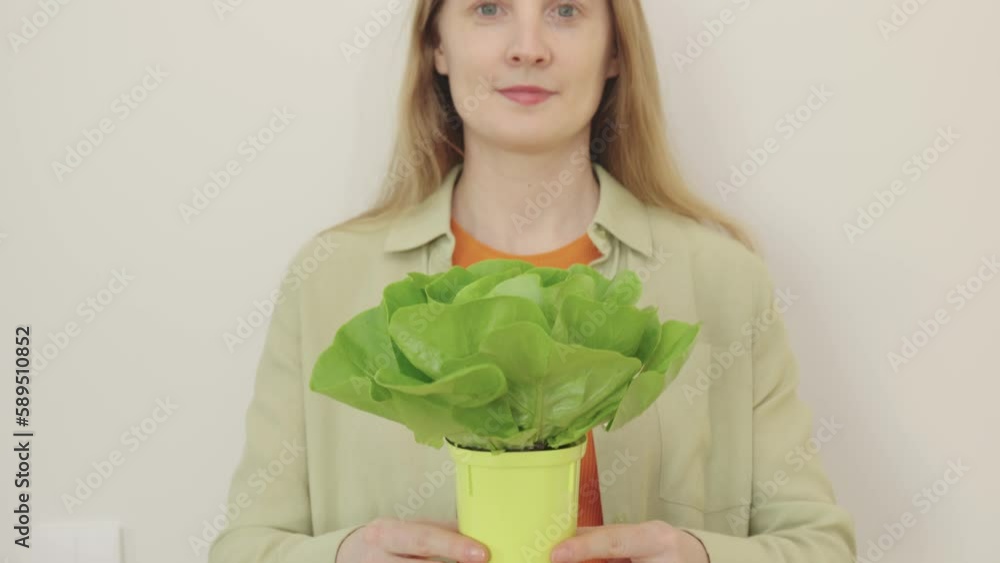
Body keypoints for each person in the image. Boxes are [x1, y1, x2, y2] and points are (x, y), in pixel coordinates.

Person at [208, 1, 857, 562]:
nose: (528, 48)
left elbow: (819, 544)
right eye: (489, 8)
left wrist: (701, 555)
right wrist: (343, 555)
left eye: (565, 10)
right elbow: (244, 546)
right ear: (437, 45)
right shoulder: (328, 279)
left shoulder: (722, 279)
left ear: (615, 50)